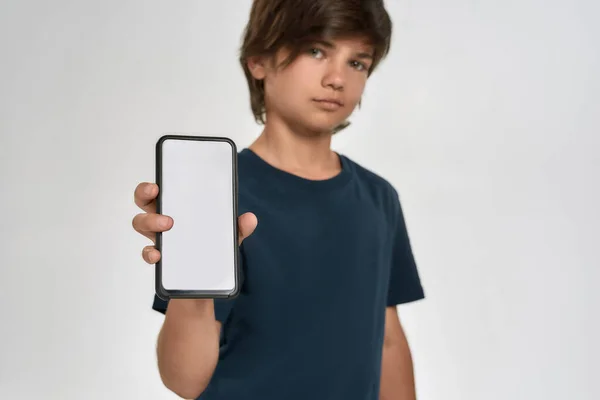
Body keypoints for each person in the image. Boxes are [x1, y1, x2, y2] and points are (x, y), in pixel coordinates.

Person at [132, 0, 425, 399]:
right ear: (259, 61)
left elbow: (388, 339)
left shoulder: (379, 199)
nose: (337, 78)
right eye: (316, 51)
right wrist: (192, 285)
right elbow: (184, 380)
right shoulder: (221, 193)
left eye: (357, 62)